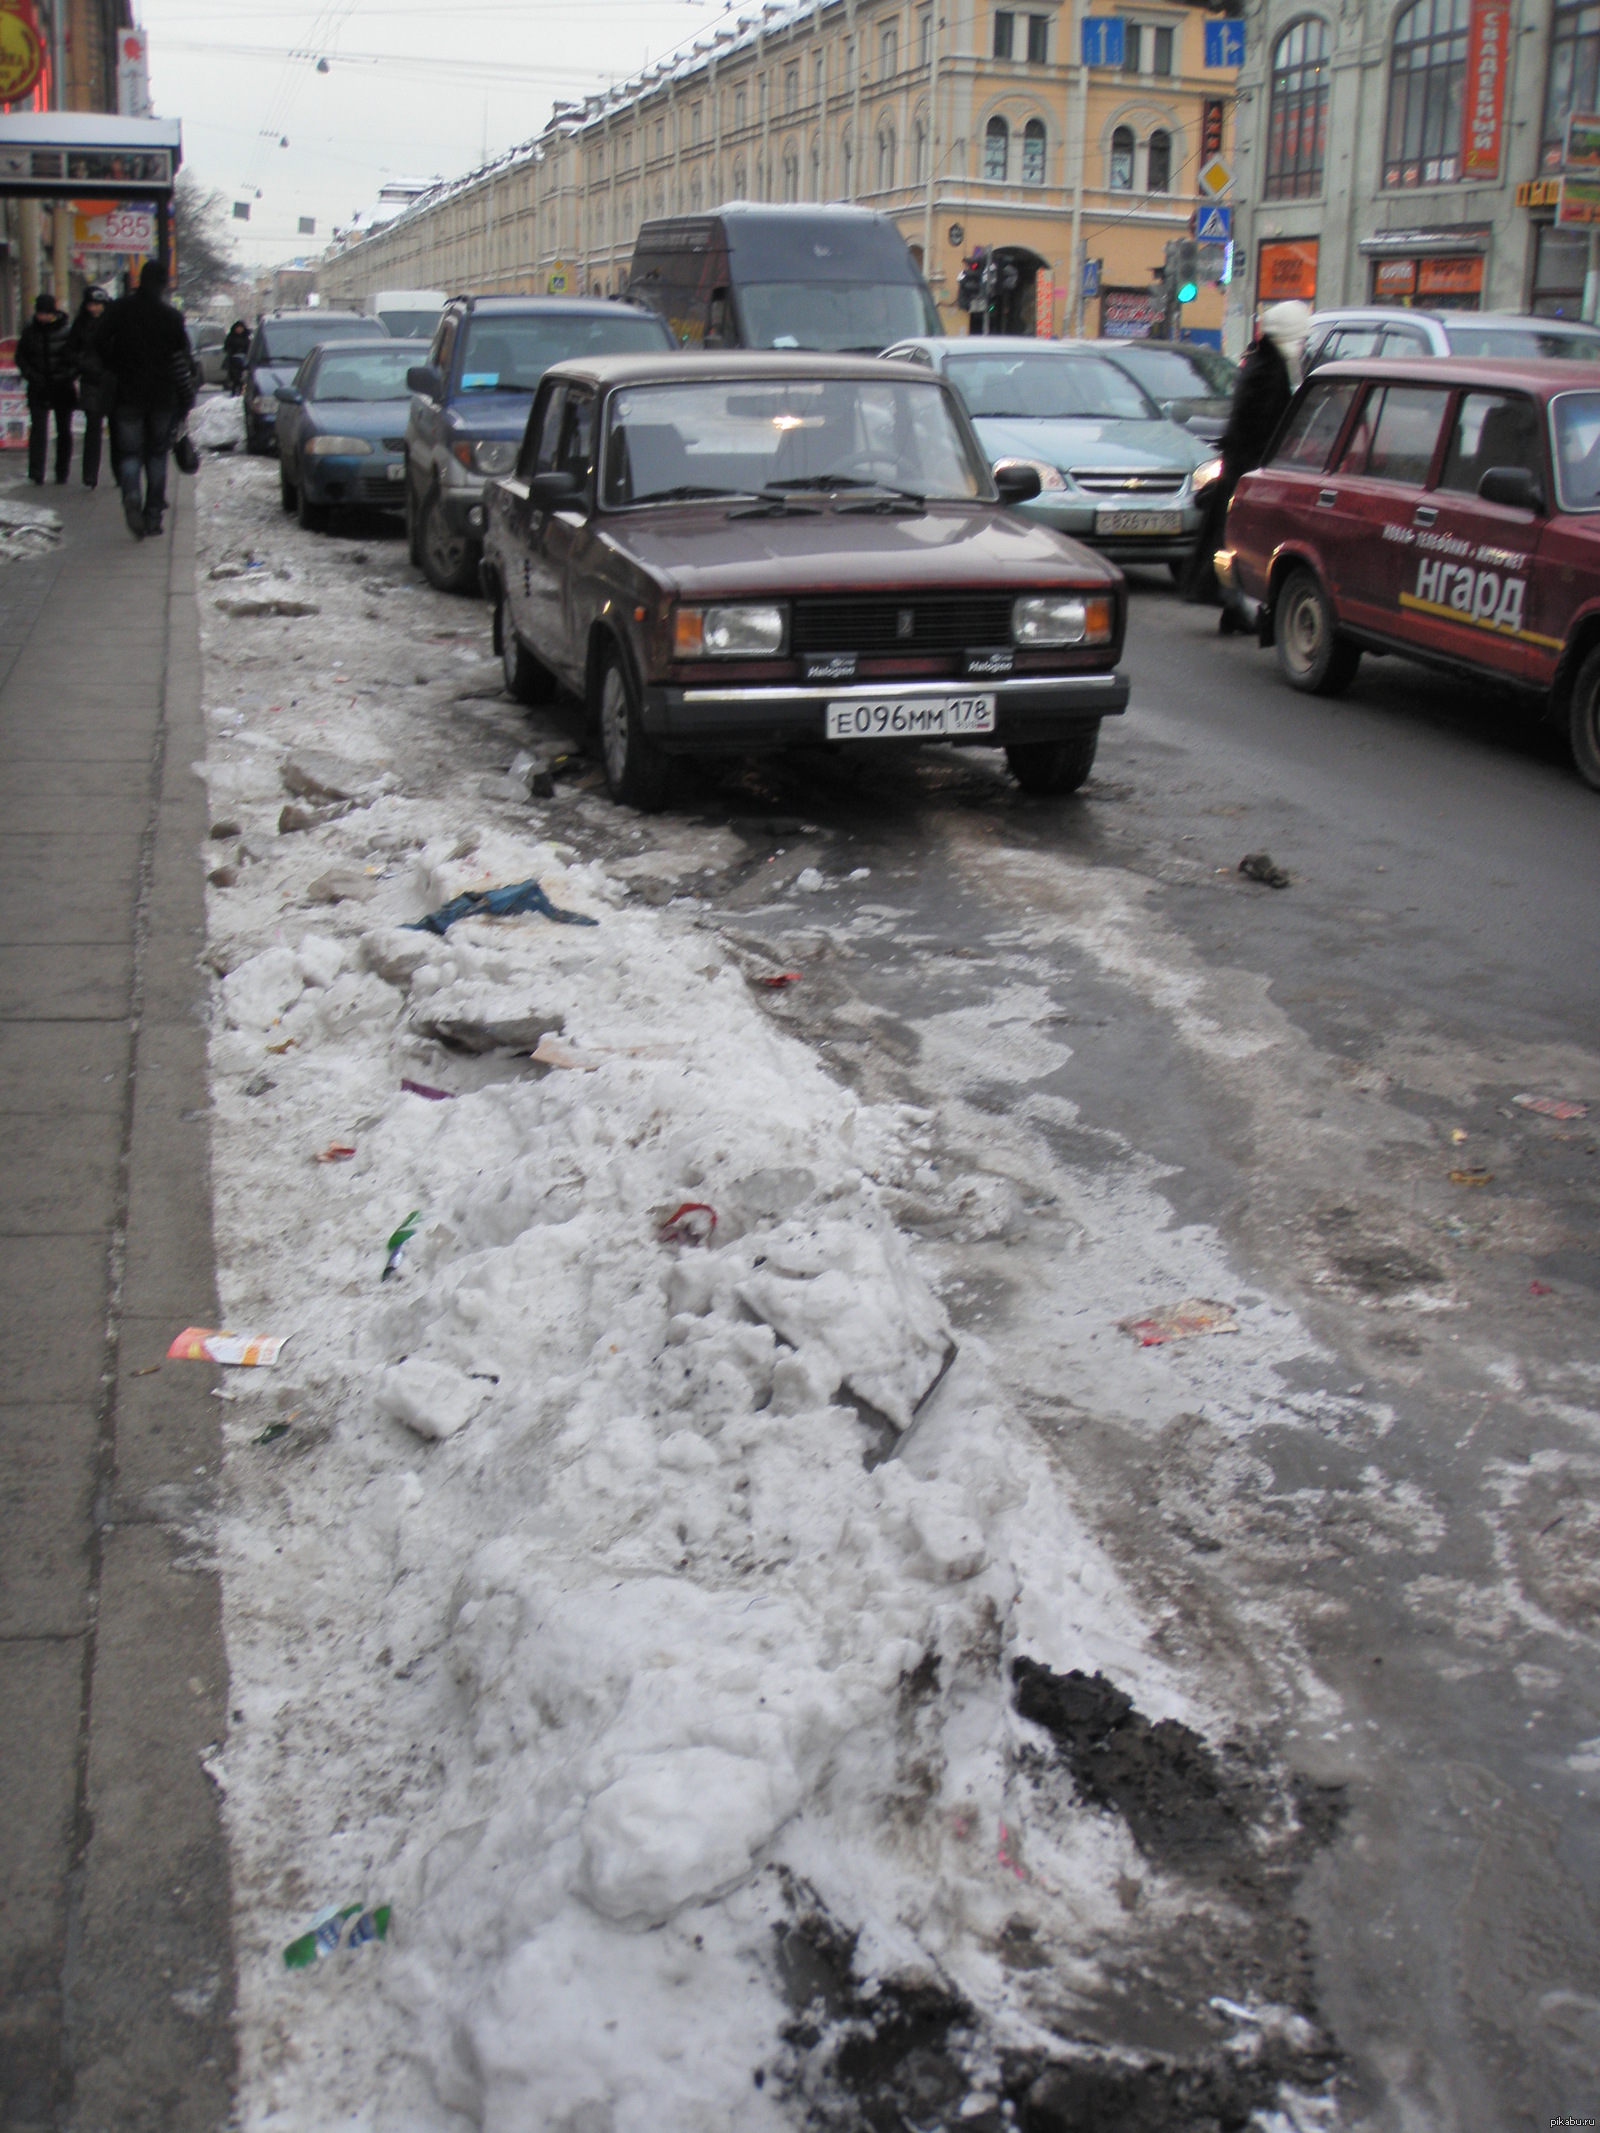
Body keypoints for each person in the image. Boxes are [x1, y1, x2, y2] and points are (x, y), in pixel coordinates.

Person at [1182, 299, 1312, 631]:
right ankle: (1236, 607)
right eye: (1299, 338)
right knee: (1243, 543)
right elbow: (1264, 426)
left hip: (1241, 468)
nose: (1301, 346)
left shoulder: (1259, 362)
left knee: (1233, 540)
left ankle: (1233, 609)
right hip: (1250, 471)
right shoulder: (1269, 371)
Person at [93, 259, 194, 540]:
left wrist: (114, 363)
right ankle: (152, 516)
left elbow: (99, 341)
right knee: (156, 454)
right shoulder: (171, 317)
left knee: (129, 454)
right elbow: (182, 355)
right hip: (162, 396)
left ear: (139, 279)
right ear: (163, 284)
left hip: (127, 394)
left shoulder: (120, 310)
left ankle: (131, 497)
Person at [16, 292, 76, 486]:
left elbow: (75, 360)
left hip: (62, 387)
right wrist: (31, 375)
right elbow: (21, 357)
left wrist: (66, 376)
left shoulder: (66, 330)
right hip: (38, 386)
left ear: (53, 312)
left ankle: (62, 472)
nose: (42, 317)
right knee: (38, 429)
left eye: (46, 313)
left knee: (64, 430)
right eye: (40, 313)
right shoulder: (30, 330)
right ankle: (36, 472)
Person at [66, 285, 111, 489]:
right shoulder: (81, 324)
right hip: (90, 382)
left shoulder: (113, 321)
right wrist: (82, 364)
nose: (94, 309)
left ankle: (119, 470)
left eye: (97, 305)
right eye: (91, 305)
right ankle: (90, 475)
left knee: (117, 428)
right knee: (93, 428)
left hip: (110, 380)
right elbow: (70, 350)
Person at [223, 318, 249, 395]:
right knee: (235, 378)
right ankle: (234, 392)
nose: (239, 330)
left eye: (241, 328)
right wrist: (233, 350)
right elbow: (226, 347)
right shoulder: (231, 337)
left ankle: (240, 391)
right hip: (233, 360)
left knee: (242, 378)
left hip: (244, 360)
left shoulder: (246, 337)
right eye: (238, 328)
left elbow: (249, 347)